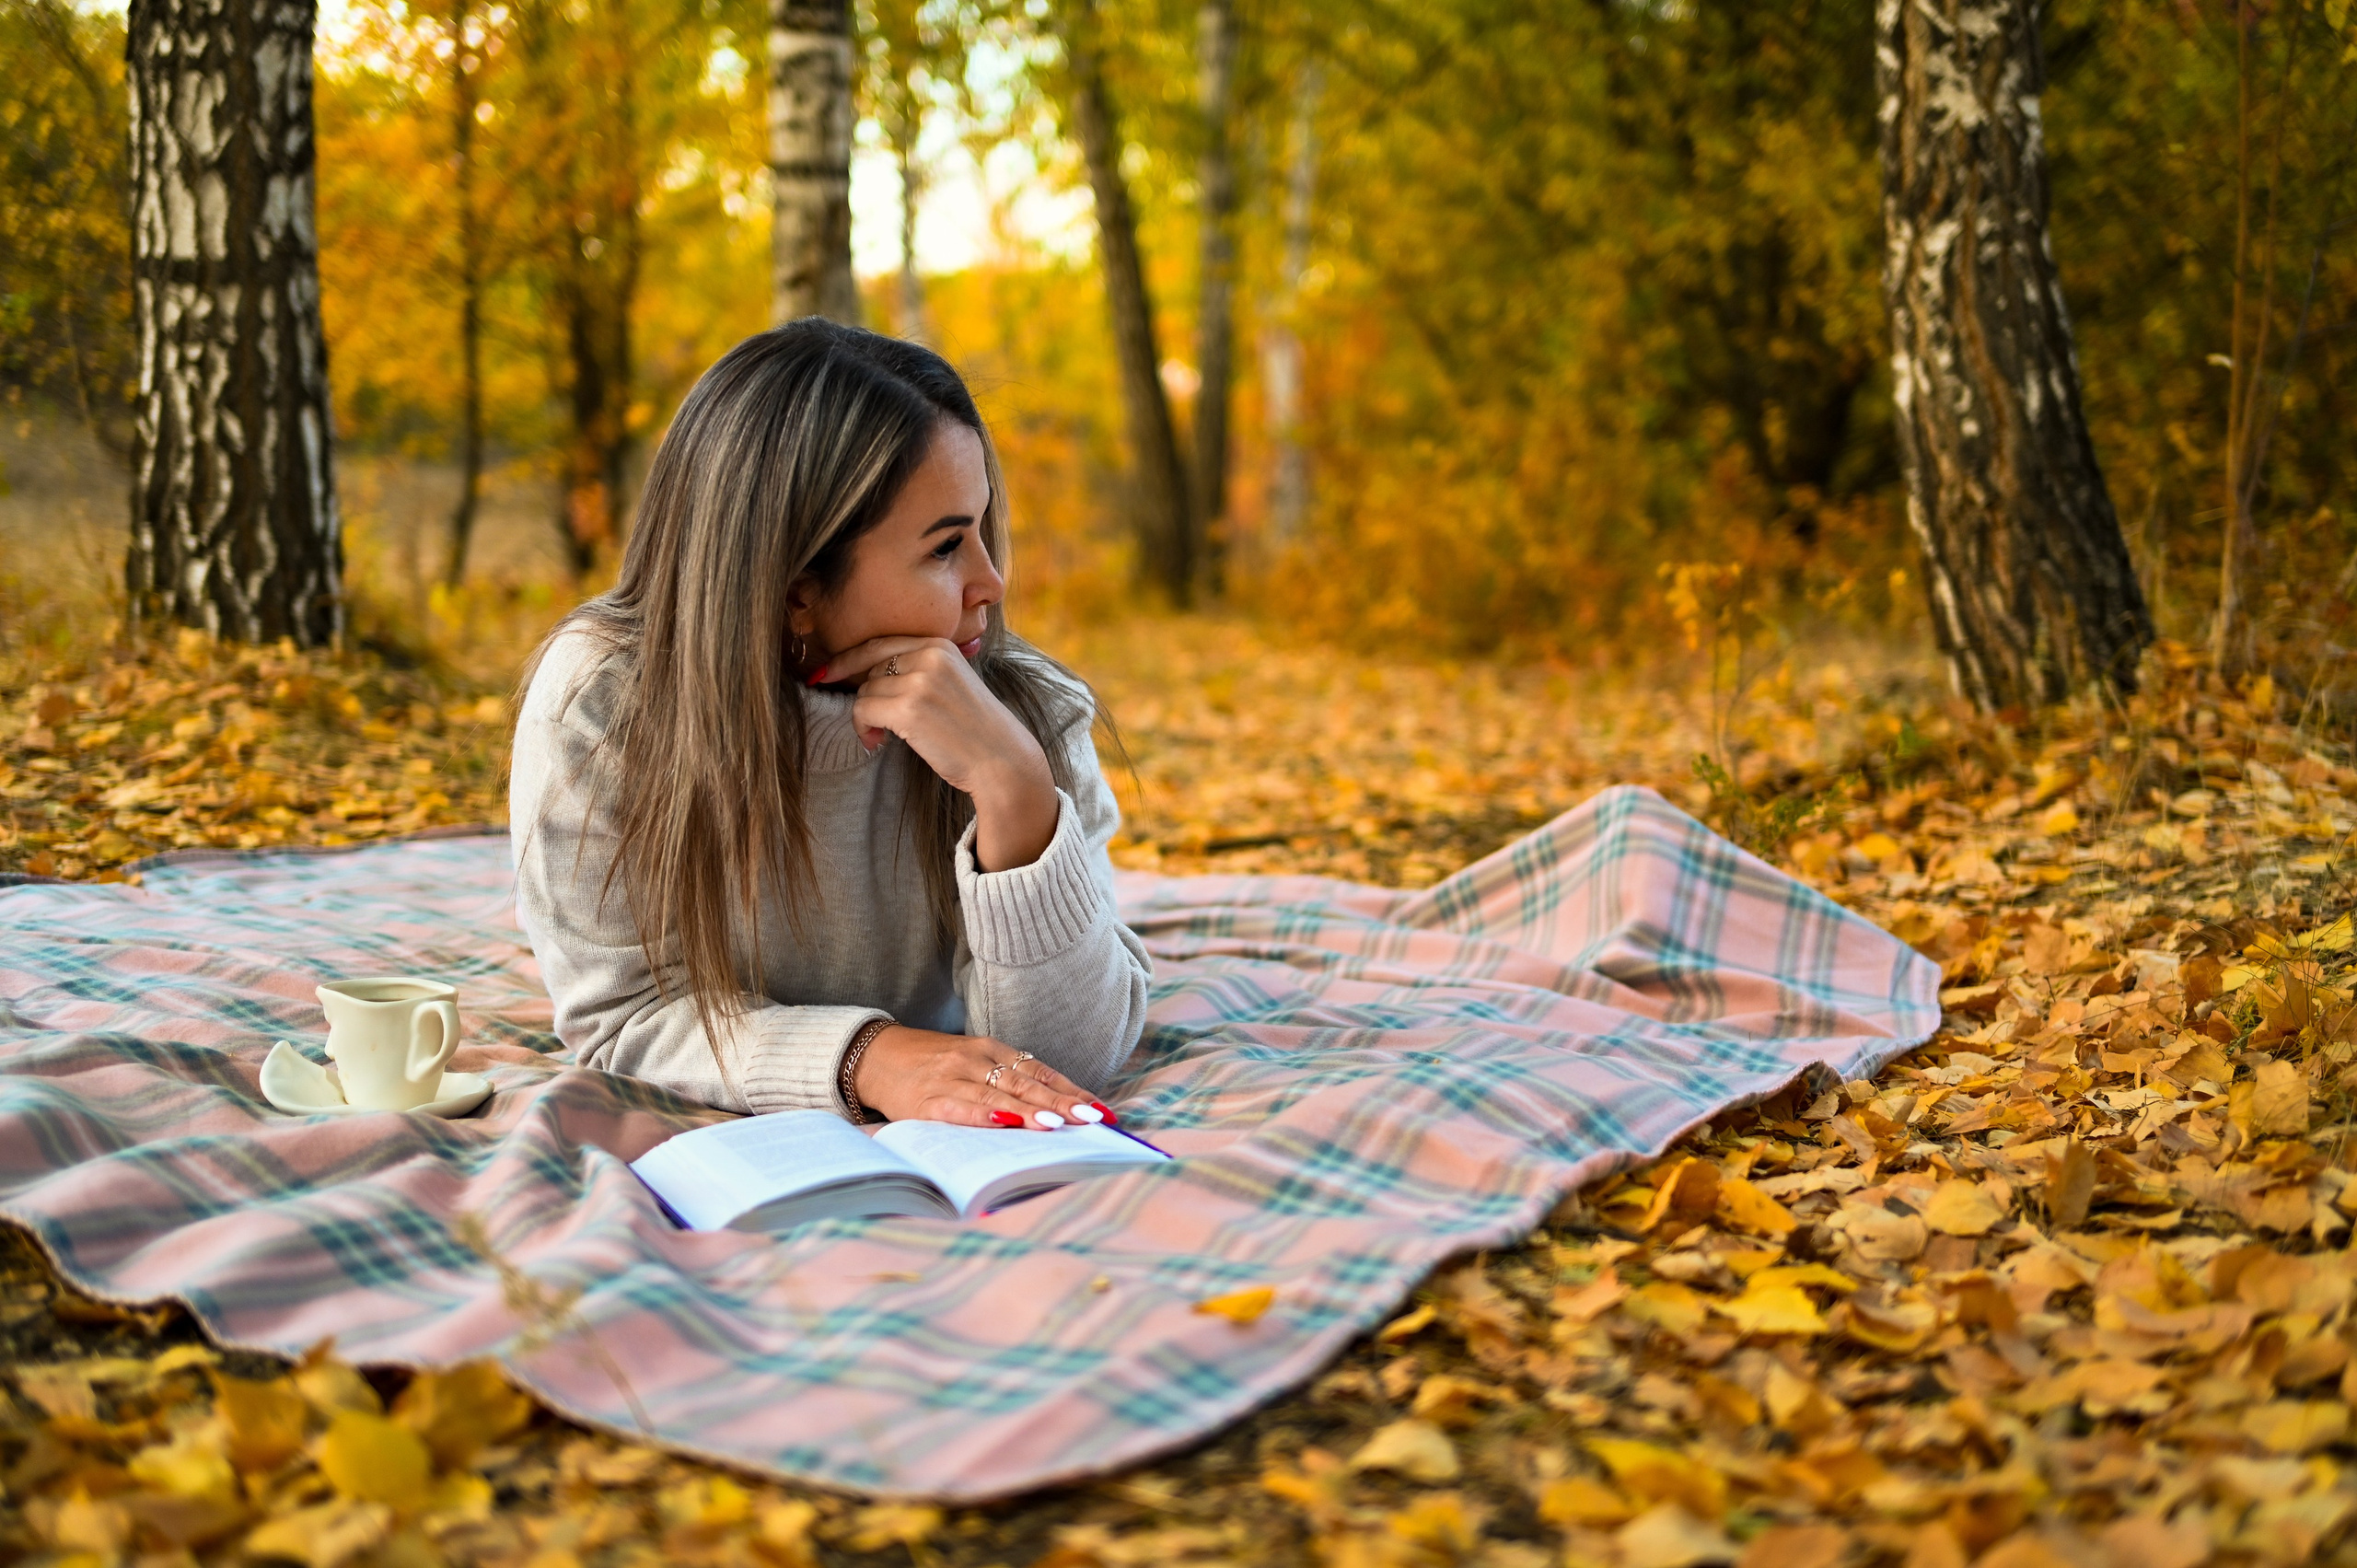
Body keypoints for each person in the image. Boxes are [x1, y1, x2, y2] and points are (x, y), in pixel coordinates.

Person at [509, 321, 1150, 1130]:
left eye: (984, 530)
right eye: (948, 547)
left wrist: (1017, 794)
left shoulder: (1029, 717)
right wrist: (867, 1057)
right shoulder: (603, 706)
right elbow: (624, 1013)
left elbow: (1067, 1066)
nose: (992, 582)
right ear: (795, 591)